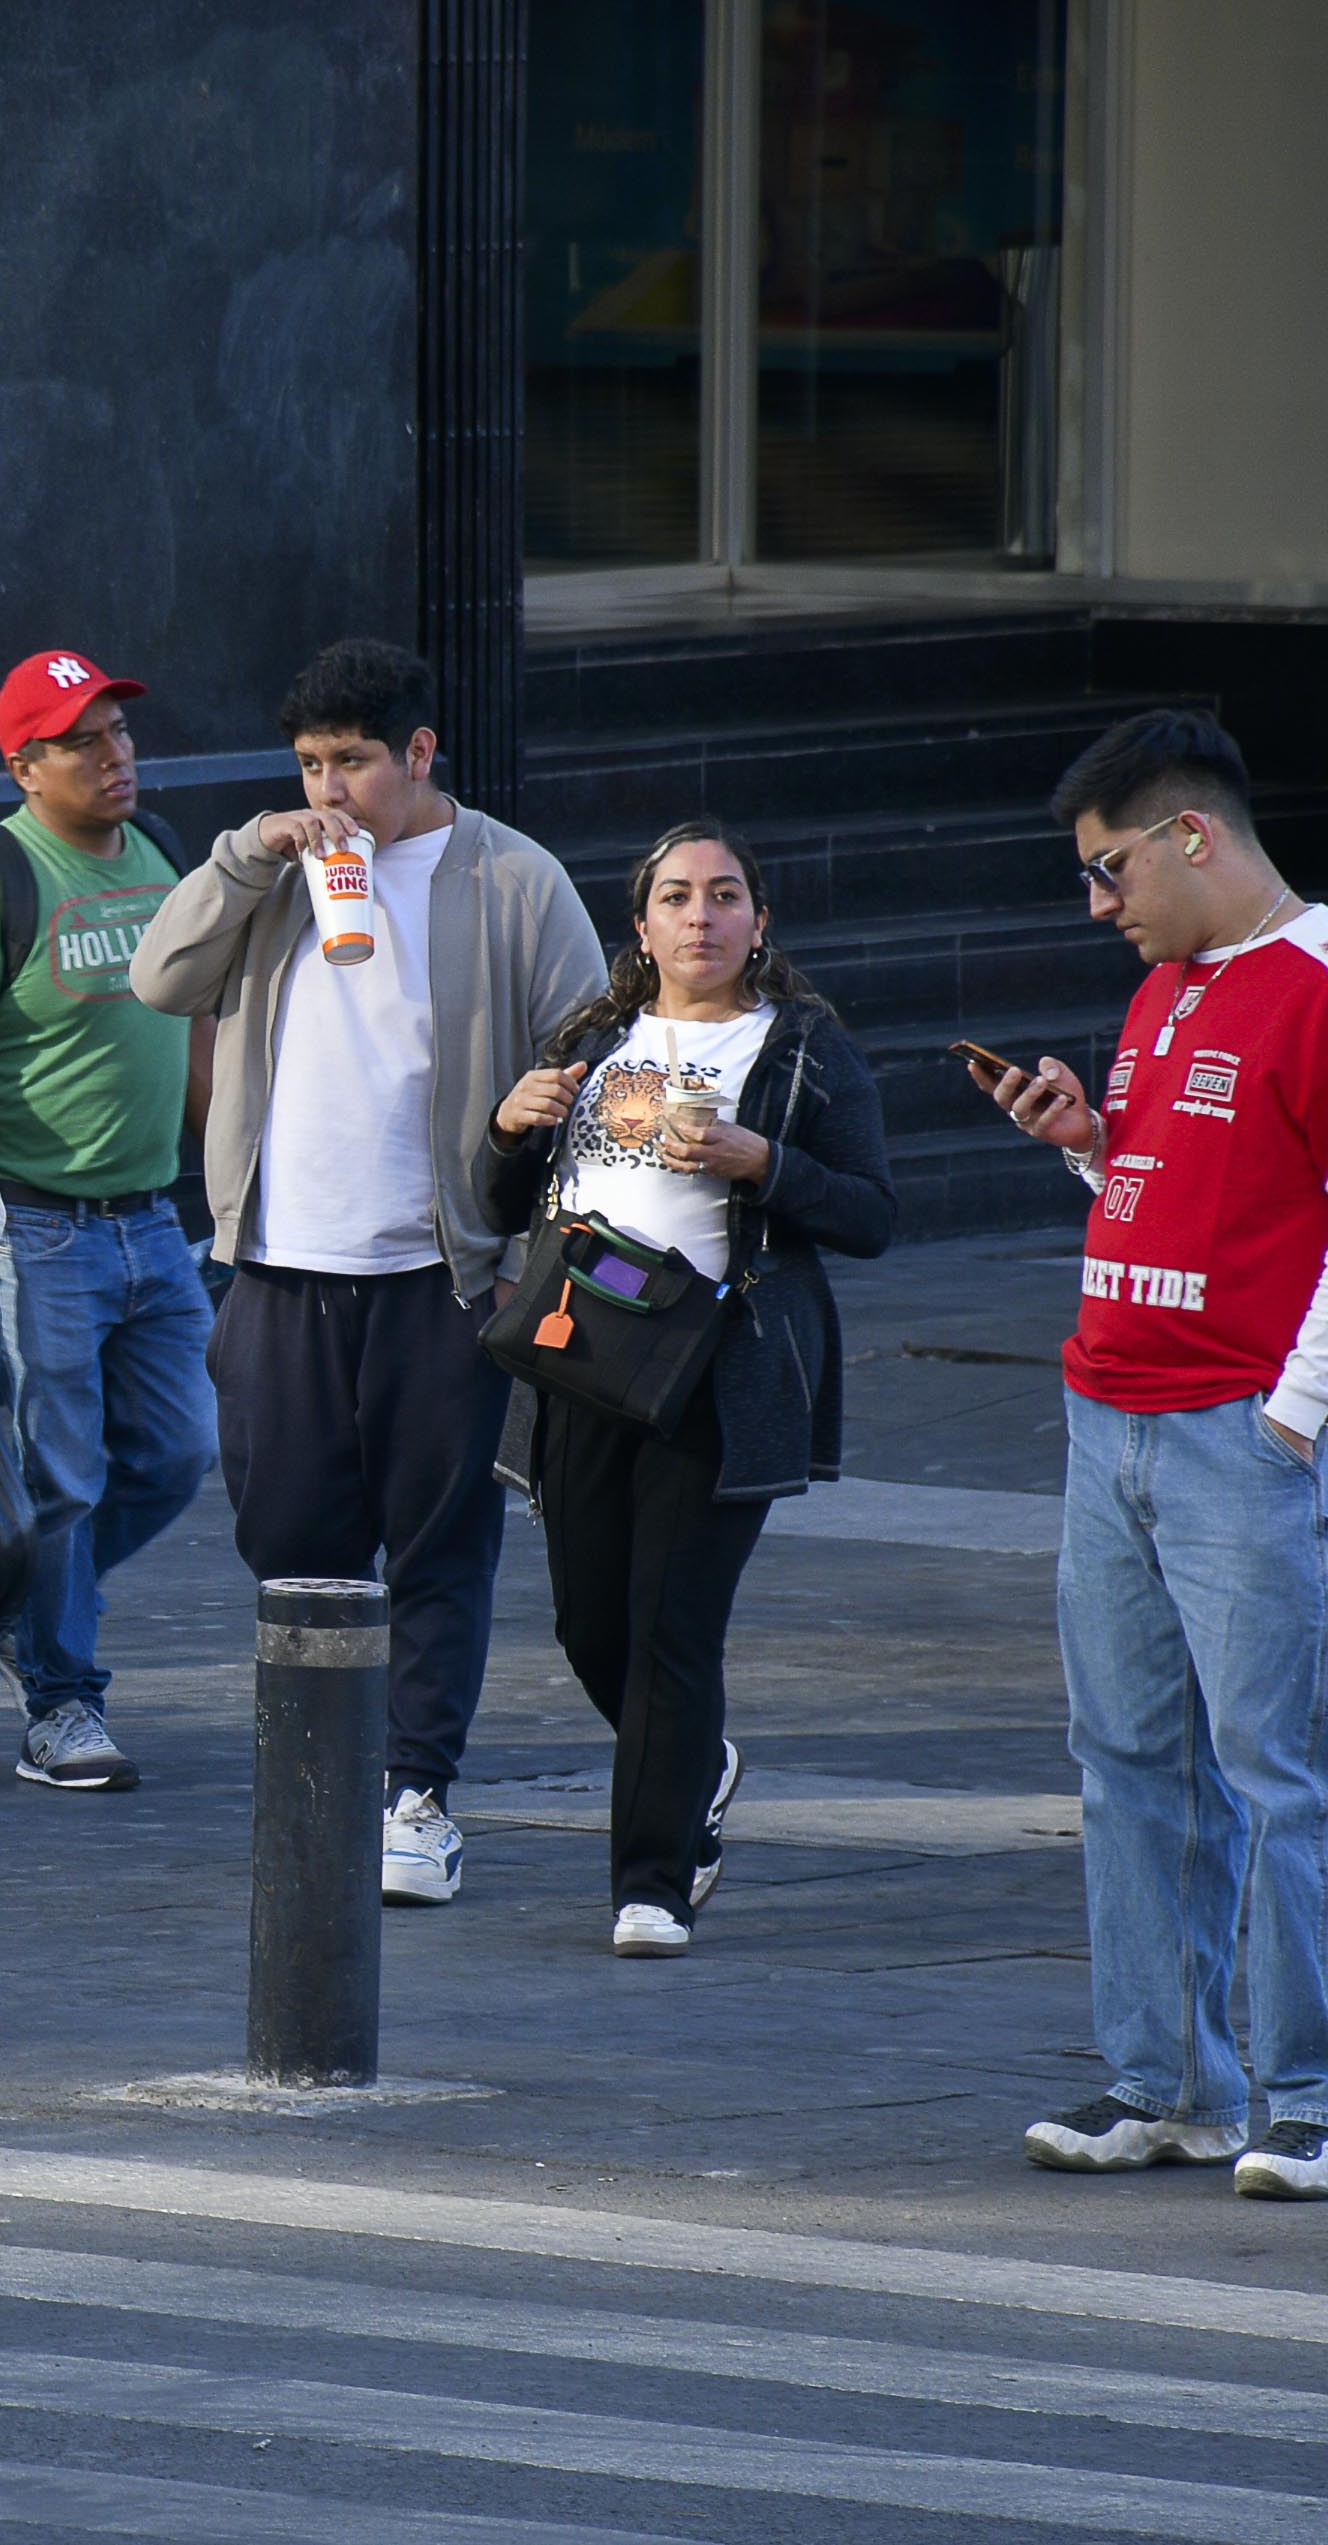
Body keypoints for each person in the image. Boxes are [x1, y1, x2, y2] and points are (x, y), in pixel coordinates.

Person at [977, 710, 1328, 2204]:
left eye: (1108, 869)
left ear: (1192, 834)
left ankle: (1325, 2101)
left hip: (1240, 1432)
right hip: (1110, 1411)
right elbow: (1193, 1194)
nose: (1097, 905)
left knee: (1279, 1768)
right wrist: (1083, 1145)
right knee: (1128, 1766)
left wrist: (1296, 1415)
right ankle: (1166, 2083)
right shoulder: (1166, 990)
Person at [128, 639, 603, 1906]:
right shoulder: (276, 868)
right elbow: (157, 977)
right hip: (279, 1263)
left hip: (441, 1273)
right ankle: (317, 1778)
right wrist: (248, 852)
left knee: (439, 1543)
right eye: (308, 763)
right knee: (286, 1537)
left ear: (419, 754)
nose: (331, 789)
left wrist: (523, 1258)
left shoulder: (509, 877)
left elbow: (589, 1066)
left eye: (353, 762)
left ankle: (414, 1793)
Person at [479, 824, 891, 1958]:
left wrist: (765, 1165)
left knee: (669, 1628)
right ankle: (696, 1763)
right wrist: (507, 1128)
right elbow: (503, 1187)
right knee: (584, 1620)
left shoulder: (801, 1044)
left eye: (722, 897)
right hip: (578, 1351)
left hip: (715, 1368)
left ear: (758, 921)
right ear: (641, 923)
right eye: (674, 897)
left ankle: (651, 1881)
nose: (698, 917)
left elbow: (869, 1214)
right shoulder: (598, 1033)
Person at [0, 650, 214, 1793]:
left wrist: (231, 1175)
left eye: (118, 733)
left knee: (179, 1453)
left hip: (151, 1223)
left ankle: (13, 1601)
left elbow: (190, 1034)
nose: (113, 755)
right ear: (23, 767)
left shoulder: (162, 855)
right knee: (64, 1478)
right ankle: (61, 1704)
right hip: (34, 1232)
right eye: (81, 741)